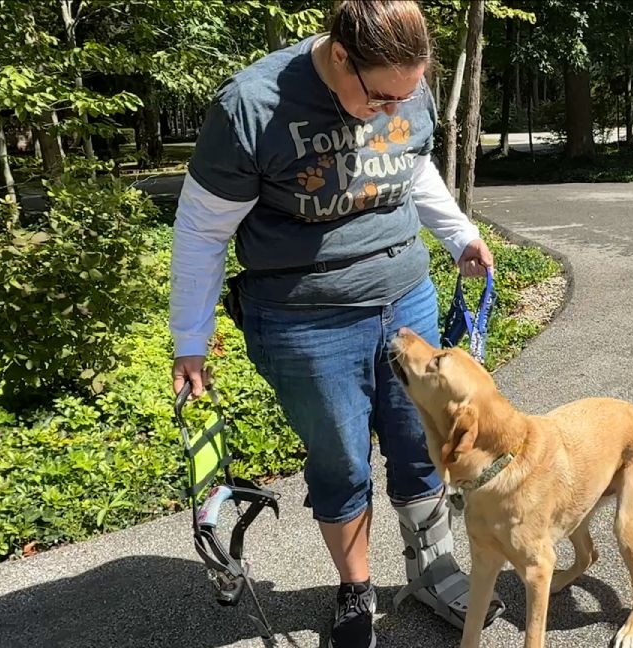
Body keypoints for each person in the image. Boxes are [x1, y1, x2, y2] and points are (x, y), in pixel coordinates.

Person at [167, 2, 503, 646]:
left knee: (423, 443)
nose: (389, 109)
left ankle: (432, 570)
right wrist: (190, 339)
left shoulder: (403, 85)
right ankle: (355, 590)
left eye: (404, 96)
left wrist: (458, 233)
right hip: (304, 320)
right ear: (340, 54)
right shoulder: (253, 107)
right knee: (341, 460)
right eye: (378, 96)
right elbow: (203, 231)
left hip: (406, 297)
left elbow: (412, 165)